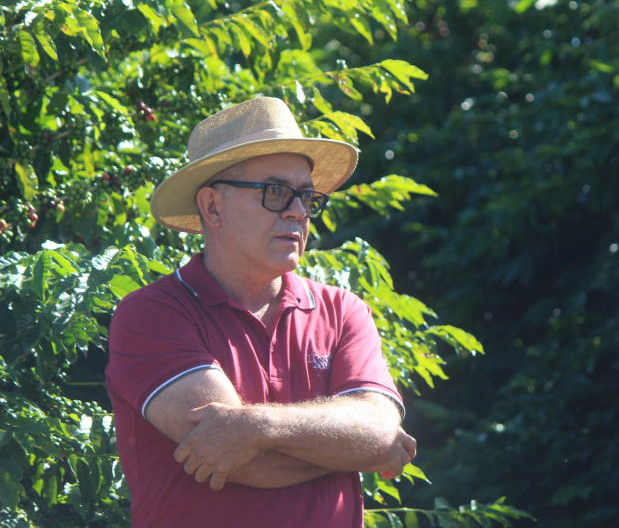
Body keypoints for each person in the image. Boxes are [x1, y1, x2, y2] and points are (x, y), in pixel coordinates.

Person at [105, 96, 417, 527]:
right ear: (212, 207)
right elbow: (242, 462)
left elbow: (378, 432)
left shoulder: (343, 310)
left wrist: (256, 428)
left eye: (307, 196)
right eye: (275, 192)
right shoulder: (152, 314)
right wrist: (356, 444)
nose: (298, 210)